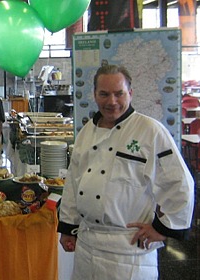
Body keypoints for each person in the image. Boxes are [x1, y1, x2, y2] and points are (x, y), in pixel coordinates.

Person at [57, 64, 194, 279]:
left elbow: (180, 184)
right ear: (94, 95)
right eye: (104, 94)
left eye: (119, 93)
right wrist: (68, 226)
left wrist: (163, 228)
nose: (112, 102)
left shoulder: (150, 131)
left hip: (128, 250)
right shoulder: (86, 132)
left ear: (130, 93)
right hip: (87, 246)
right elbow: (74, 184)